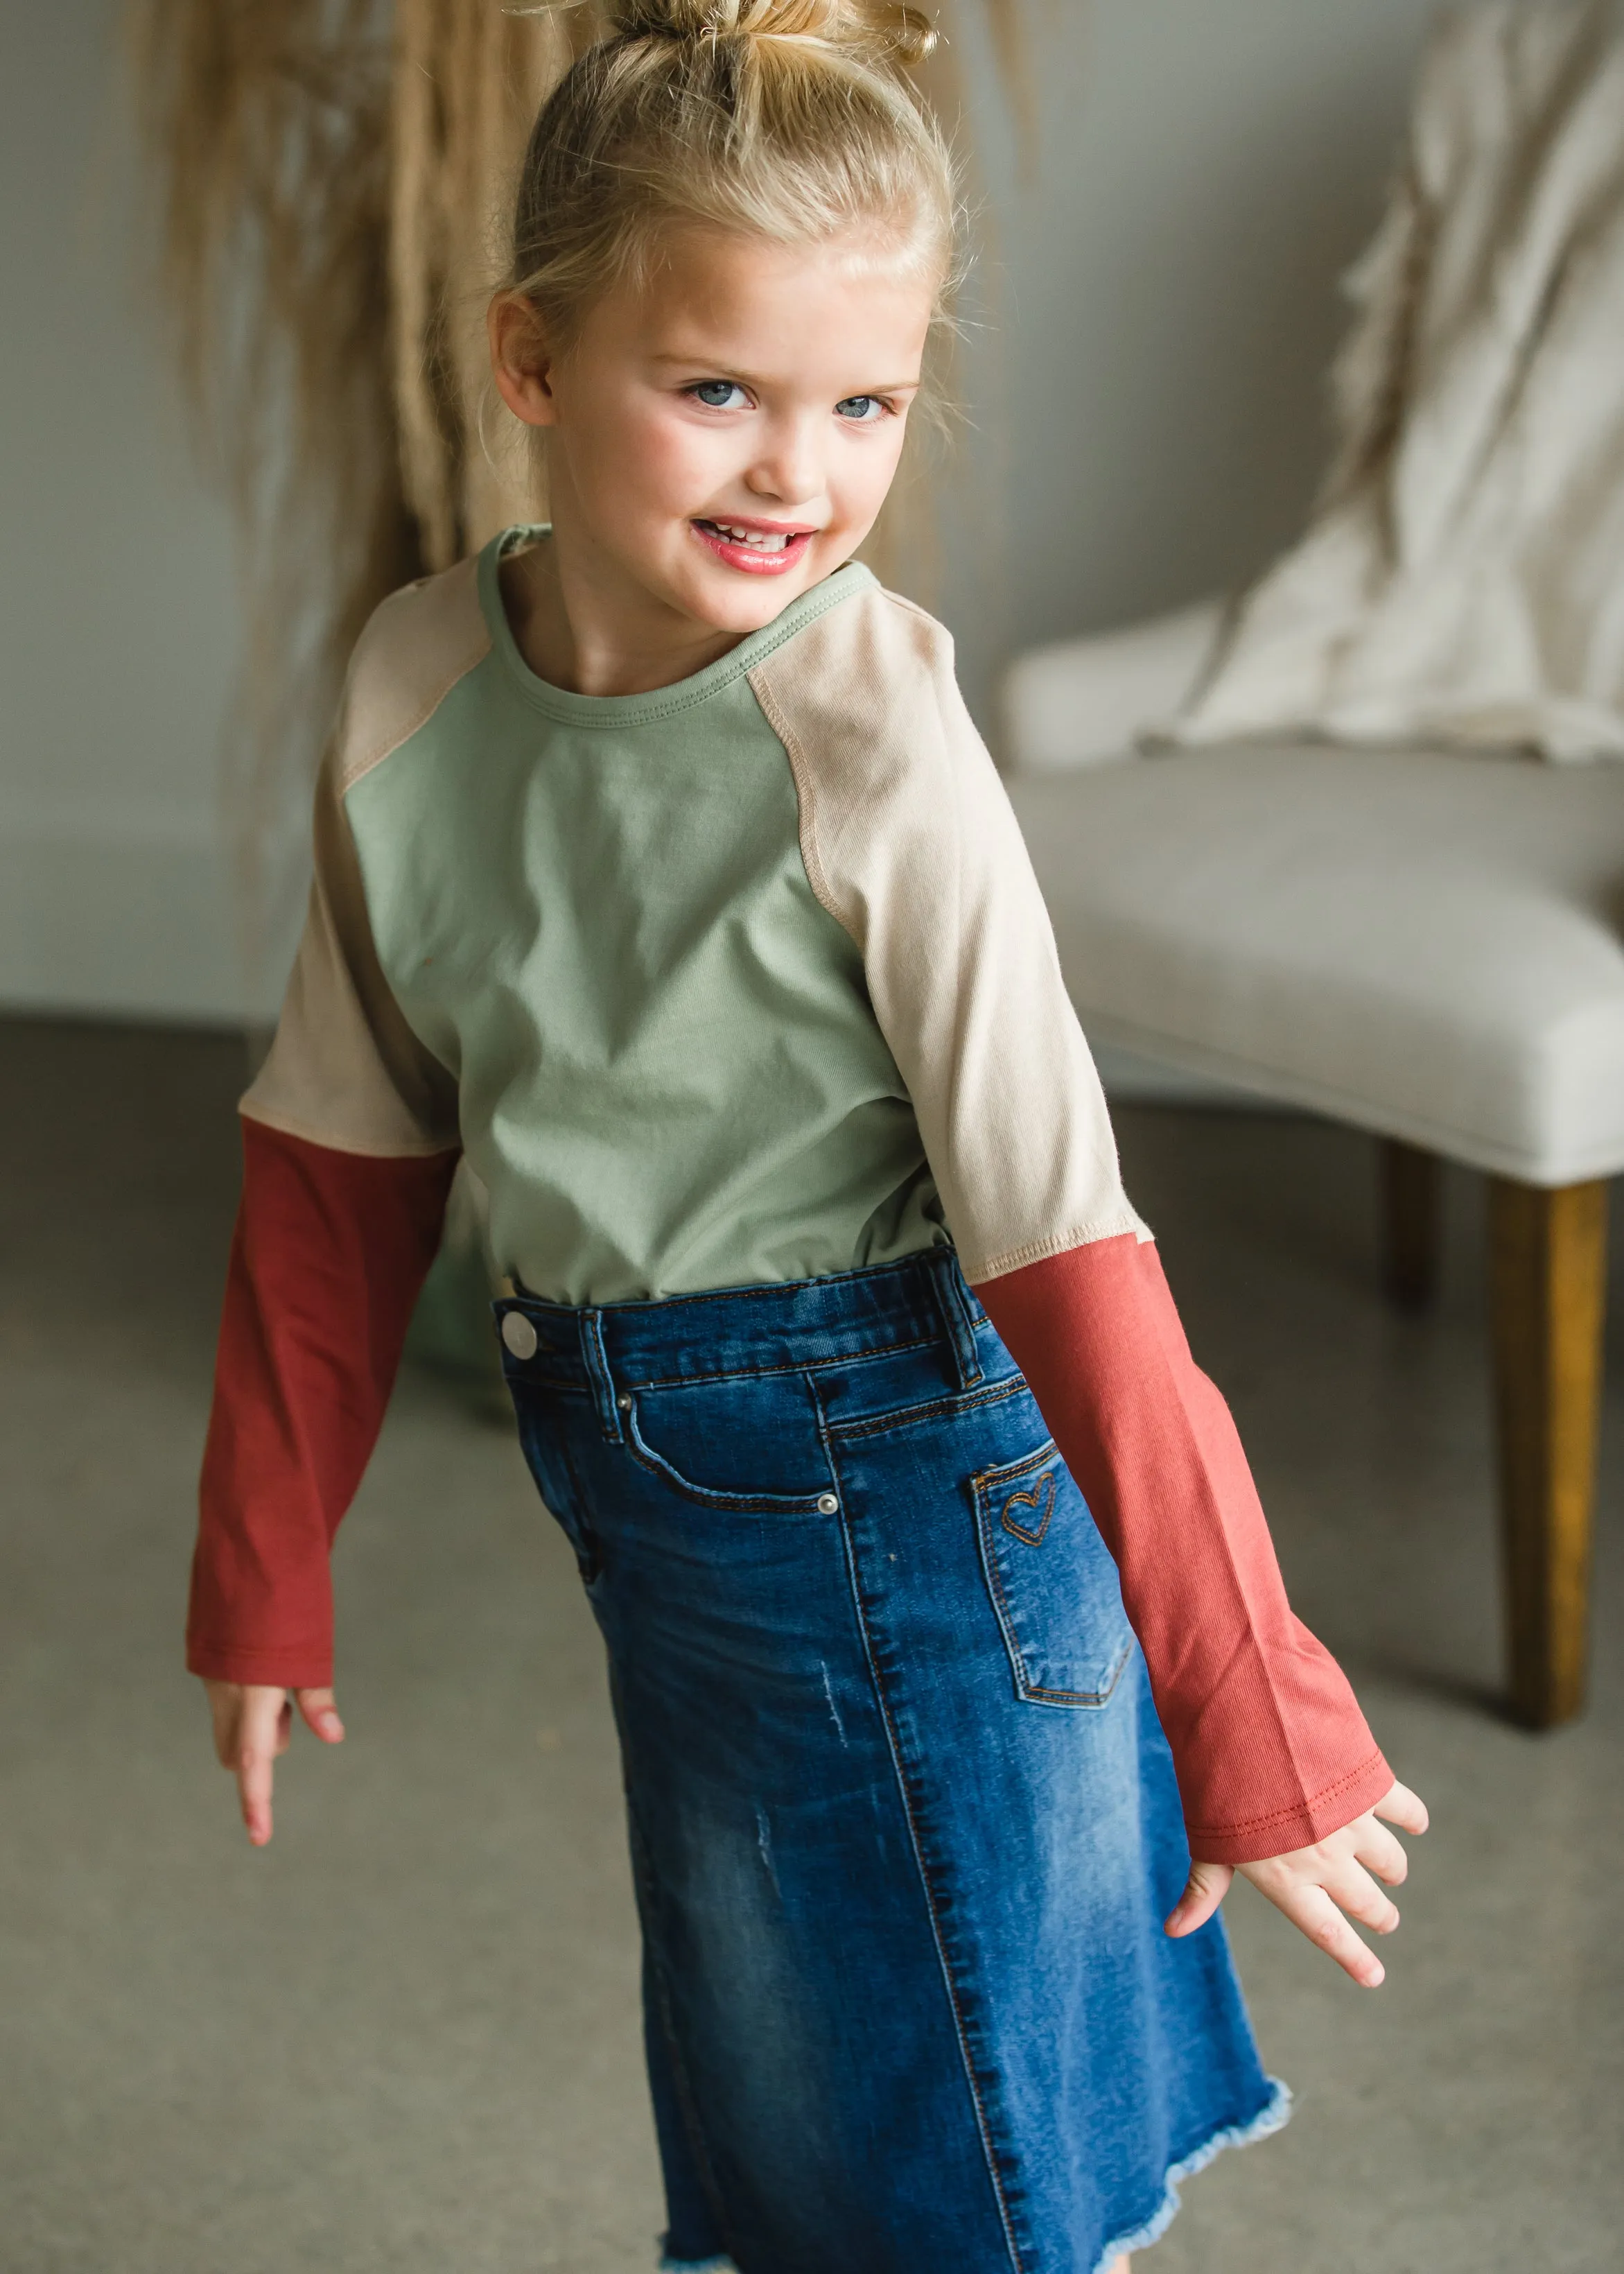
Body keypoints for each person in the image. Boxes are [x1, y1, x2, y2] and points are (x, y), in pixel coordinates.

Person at [186, 4, 1428, 2268]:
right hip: (665, 1512)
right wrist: (263, 1561)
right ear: (529, 361)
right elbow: (338, 1156)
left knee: (927, 2139)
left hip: (912, 1479)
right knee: (797, 2112)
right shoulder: (407, 691)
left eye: (862, 405)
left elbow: (1071, 1243)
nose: (798, 474)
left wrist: (1250, 1697)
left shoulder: (870, 737)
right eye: (719, 390)